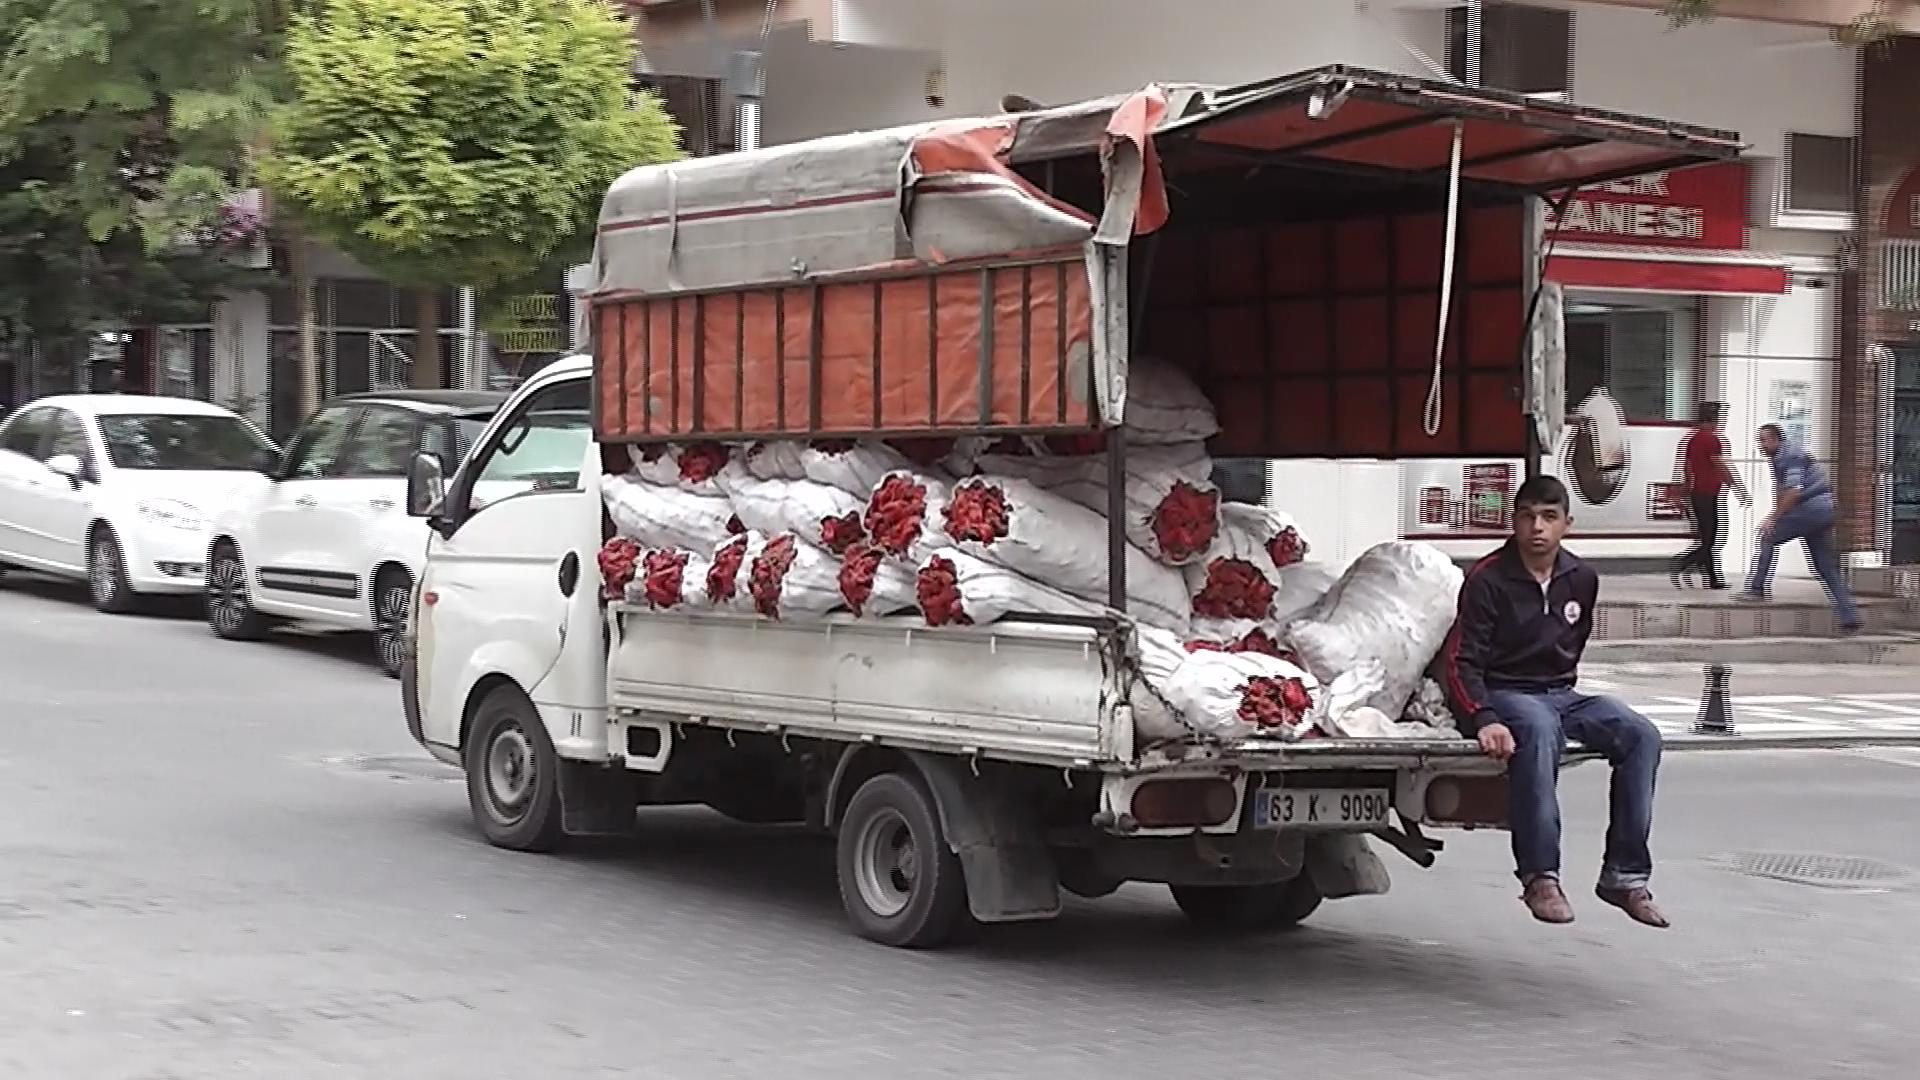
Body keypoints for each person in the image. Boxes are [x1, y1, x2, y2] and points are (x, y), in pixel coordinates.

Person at [1442, 475, 1668, 929]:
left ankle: (1624, 876)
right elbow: (1460, 662)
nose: (1537, 528)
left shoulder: (1581, 578)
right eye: (1527, 517)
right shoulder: (1487, 579)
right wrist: (1483, 717)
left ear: (1568, 523)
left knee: (1641, 735)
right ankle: (1540, 876)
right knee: (1540, 733)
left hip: (1561, 694)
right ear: (1514, 522)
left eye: (1548, 517)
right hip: (1506, 692)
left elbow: (1572, 642)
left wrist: (1561, 695)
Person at [1734, 424, 1862, 634]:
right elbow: (1782, 491)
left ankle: (1756, 589)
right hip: (1823, 510)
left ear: (1775, 439)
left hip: (1811, 508)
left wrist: (1773, 518)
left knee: (1768, 536)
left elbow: (1793, 491)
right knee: (1825, 567)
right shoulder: (1782, 456)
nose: (1761, 445)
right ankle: (1849, 616)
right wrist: (1778, 512)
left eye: (1763, 440)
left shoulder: (1790, 456)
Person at [1668, 401, 1748, 590]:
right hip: (1707, 493)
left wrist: (1688, 487)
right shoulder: (1711, 439)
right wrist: (1737, 488)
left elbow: (1688, 466)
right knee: (1711, 540)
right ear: (1714, 419)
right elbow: (1719, 465)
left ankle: (1712, 579)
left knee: (1707, 538)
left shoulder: (1693, 439)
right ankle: (1683, 563)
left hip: (1698, 493)